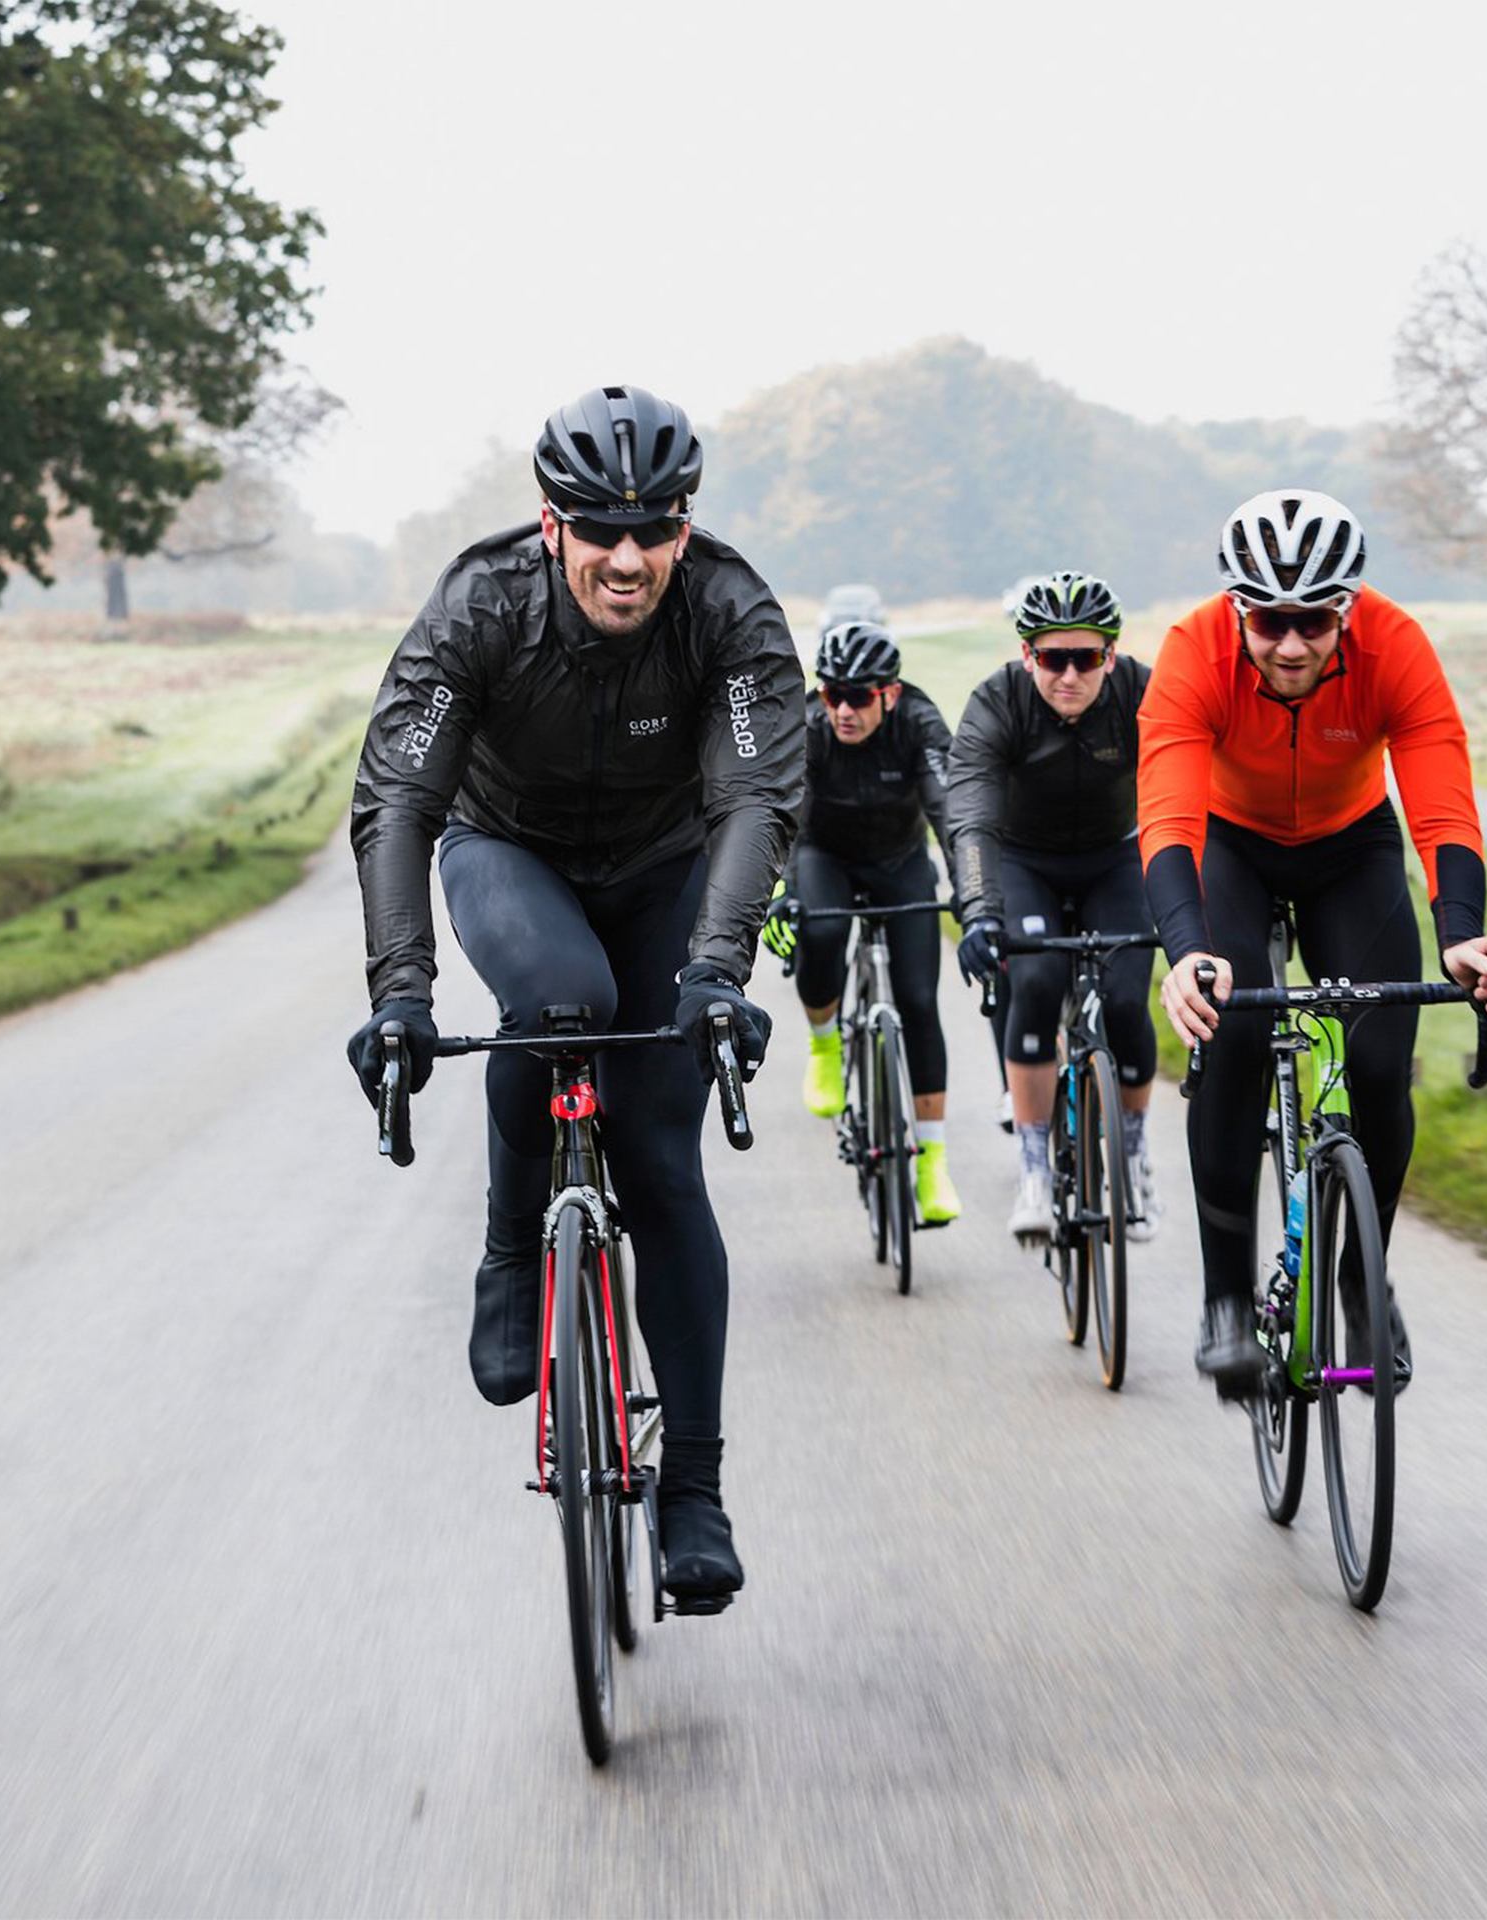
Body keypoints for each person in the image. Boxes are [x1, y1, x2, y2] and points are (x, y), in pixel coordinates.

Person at [345, 385, 803, 1605]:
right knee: (557, 1000)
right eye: (599, 529)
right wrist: (402, 990)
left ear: (683, 529)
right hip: (511, 849)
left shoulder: (729, 611)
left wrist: (716, 973)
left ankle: (693, 1489)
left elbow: (756, 802)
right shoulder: (479, 608)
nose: (628, 556)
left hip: (665, 866)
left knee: (660, 1156)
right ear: (551, 525)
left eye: (654, 529)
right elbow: (399, 799)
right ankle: (510, 1248)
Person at [1138, 489, 1487, 1394]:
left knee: (1383, 1060)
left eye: (1315, 619)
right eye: (1271, 621)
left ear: (1346, 608)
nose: (1294, 644)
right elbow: (1167, 820)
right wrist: (1187, 949)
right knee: (1230, 1040)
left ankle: (1362, 1275)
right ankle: (1226, 1300)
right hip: (1231, 847)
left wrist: (1462, 935)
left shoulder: (1395, 646)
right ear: (1241, 610)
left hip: (1351, 848)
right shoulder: (1195, 653)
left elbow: (1441, 798)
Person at [946, 570, 1162, 1243]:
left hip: (1116, 857)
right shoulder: (998, 702)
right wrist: (980, 910)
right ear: (1026, 656)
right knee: (1035, 982)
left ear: (1112, 655)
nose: (1069, 675)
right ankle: (1035, 1166)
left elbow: (1191, 787)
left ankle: (1132, 1152)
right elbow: (973, 813)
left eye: (1086, 658)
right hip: (1025, 861)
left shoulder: (1141, 693)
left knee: (1127, 998)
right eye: (1052, 658)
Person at [761, 619, 962, 1224]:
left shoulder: (920, 724)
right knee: (820, 930)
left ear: (890, 694)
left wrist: (975, 896)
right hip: (825, 854)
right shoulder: (810, 727)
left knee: (920, 1002)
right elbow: (784, 818)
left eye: (858, 697)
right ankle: (825, 1045)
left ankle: (932, 1163)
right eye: (832, 693)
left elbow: (951, 815)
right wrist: (783, 892)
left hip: (901, 860)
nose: (843, 709)